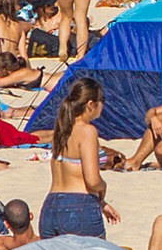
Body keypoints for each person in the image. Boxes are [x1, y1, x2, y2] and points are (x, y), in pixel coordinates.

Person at [43, 75, 115, 239]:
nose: (103, 104)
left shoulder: (62, 129)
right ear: (91, 104)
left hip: (50, 207)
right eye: (101, 100)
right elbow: (92, 180)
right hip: (78, 207)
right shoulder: (87, 131)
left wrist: (101, 203)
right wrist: (103, 186)